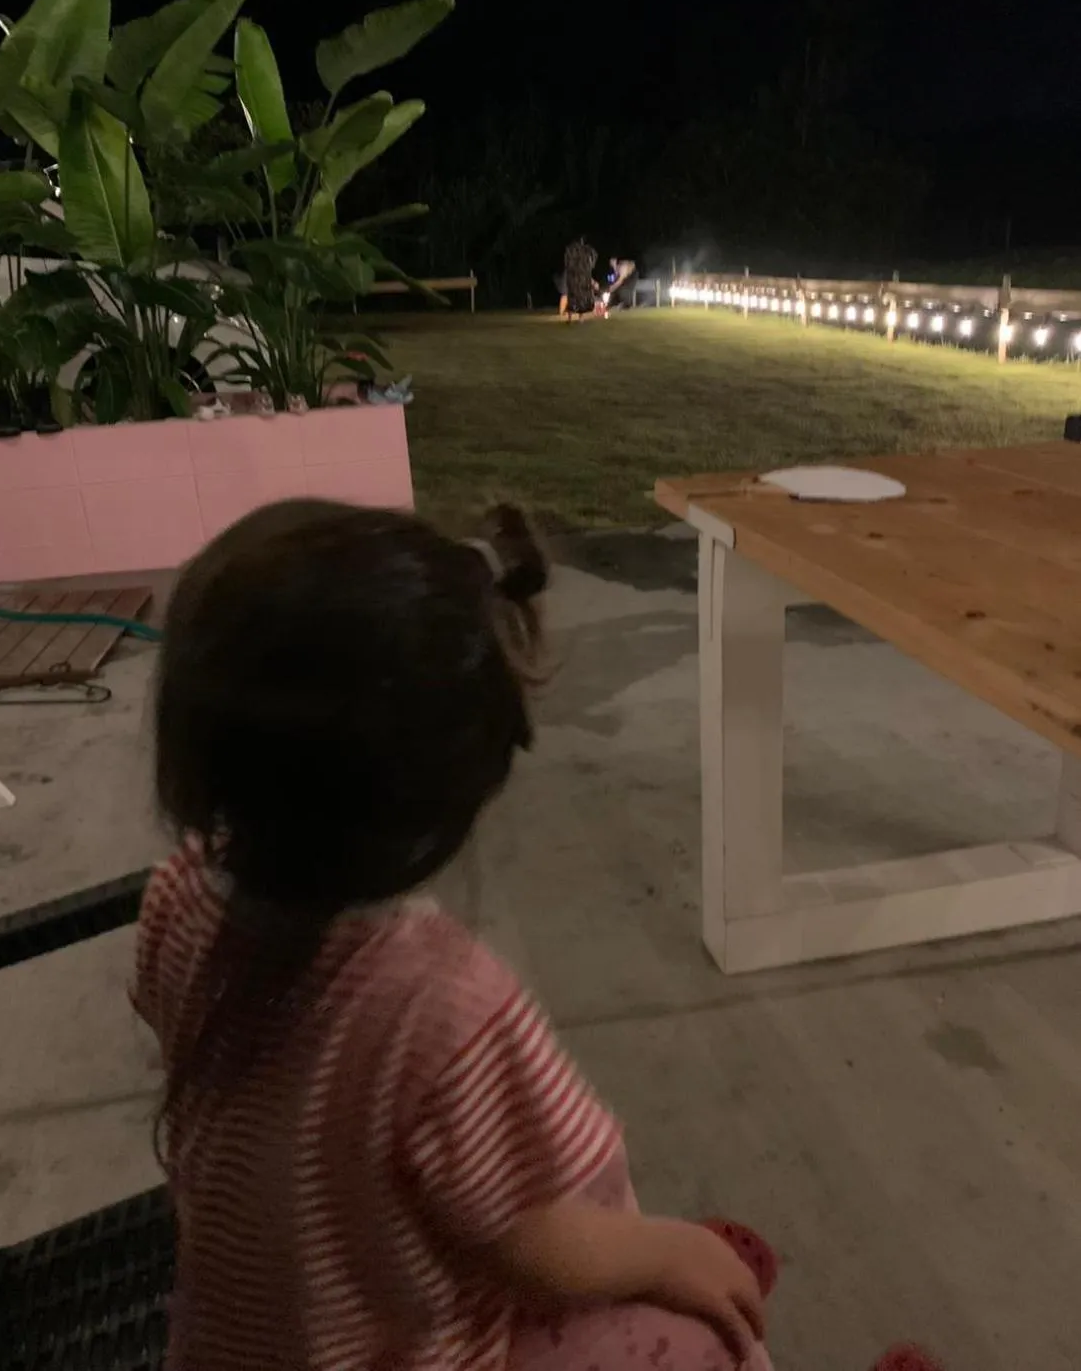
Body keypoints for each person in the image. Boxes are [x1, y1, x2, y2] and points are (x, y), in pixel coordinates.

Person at [133, 499, 944, 1371]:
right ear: (462, 778)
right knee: (708, 1334)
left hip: (233, 1344)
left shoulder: (178, 893)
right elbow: (533, 1243)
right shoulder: (437, 1001)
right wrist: (672, 1253)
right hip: (401, 1350)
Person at [563, 236, 597, 320]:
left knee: (576, 296)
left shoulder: (574, 249)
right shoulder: (582, 249)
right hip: (579, 277)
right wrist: (591, 265)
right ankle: (578, 318)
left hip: (578, 276)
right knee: (578, 297)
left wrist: (591, 265)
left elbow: (567, 262)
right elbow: (594, 255)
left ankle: (573, 318)